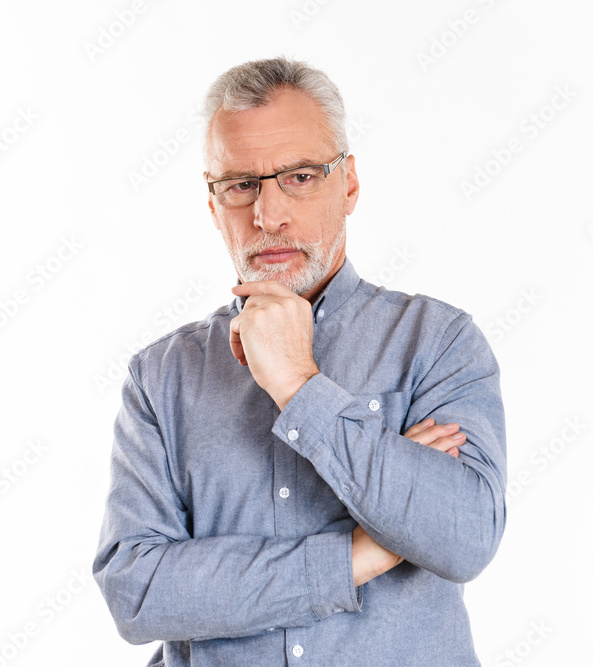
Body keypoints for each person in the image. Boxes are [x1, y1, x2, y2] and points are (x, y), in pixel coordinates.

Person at [93, 57, 507, 666]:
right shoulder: (162, 375)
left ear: (350, 185)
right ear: (213, 205)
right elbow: (138, 591)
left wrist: (298, 384)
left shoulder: (437, 341)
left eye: (301, 177)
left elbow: (464, 537)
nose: (267, 215)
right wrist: (353, 557)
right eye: (240, 185)